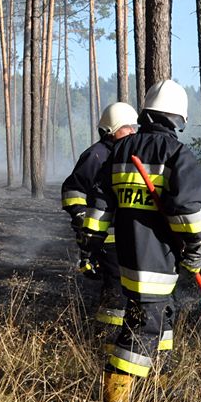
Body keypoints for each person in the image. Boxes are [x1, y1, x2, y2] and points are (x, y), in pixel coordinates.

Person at [81, 80, 201, 402]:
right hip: (159, 262)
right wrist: (195, 252)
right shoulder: (178, 155)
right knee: (143, 329)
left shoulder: (121, 151)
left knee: (162, 319)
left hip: (126, 258)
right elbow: (189, 216)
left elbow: (100, 207)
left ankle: (159, 387)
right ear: (179, 119)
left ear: (147, 113)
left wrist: (91, 246)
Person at [61, 102, 138, 346]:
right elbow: (73, 189)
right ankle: (106, 343)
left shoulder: (127, 154)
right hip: (107, 239)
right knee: (115, 289)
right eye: (127, 128)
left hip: (129, 238)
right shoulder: (97, 155)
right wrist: (83, 218)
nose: (133, 132)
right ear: (112, 129)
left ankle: (126, 338)